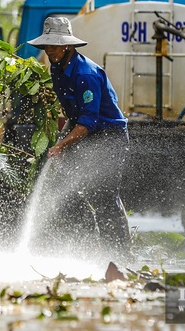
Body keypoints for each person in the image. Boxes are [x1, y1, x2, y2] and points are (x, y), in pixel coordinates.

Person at [27, 16, 131, 259]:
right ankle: (89, 248)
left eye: (54, 45)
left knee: (105, 196)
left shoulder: (86, 74)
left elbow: (88, 122)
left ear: (68, 46)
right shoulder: (57, 67)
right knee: (69, 190)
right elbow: (74, 117)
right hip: (86, 134)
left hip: (109, 138)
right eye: (47, 46)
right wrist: (62, 142)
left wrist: (62, 144)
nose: (49, 51)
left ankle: (121, 256)